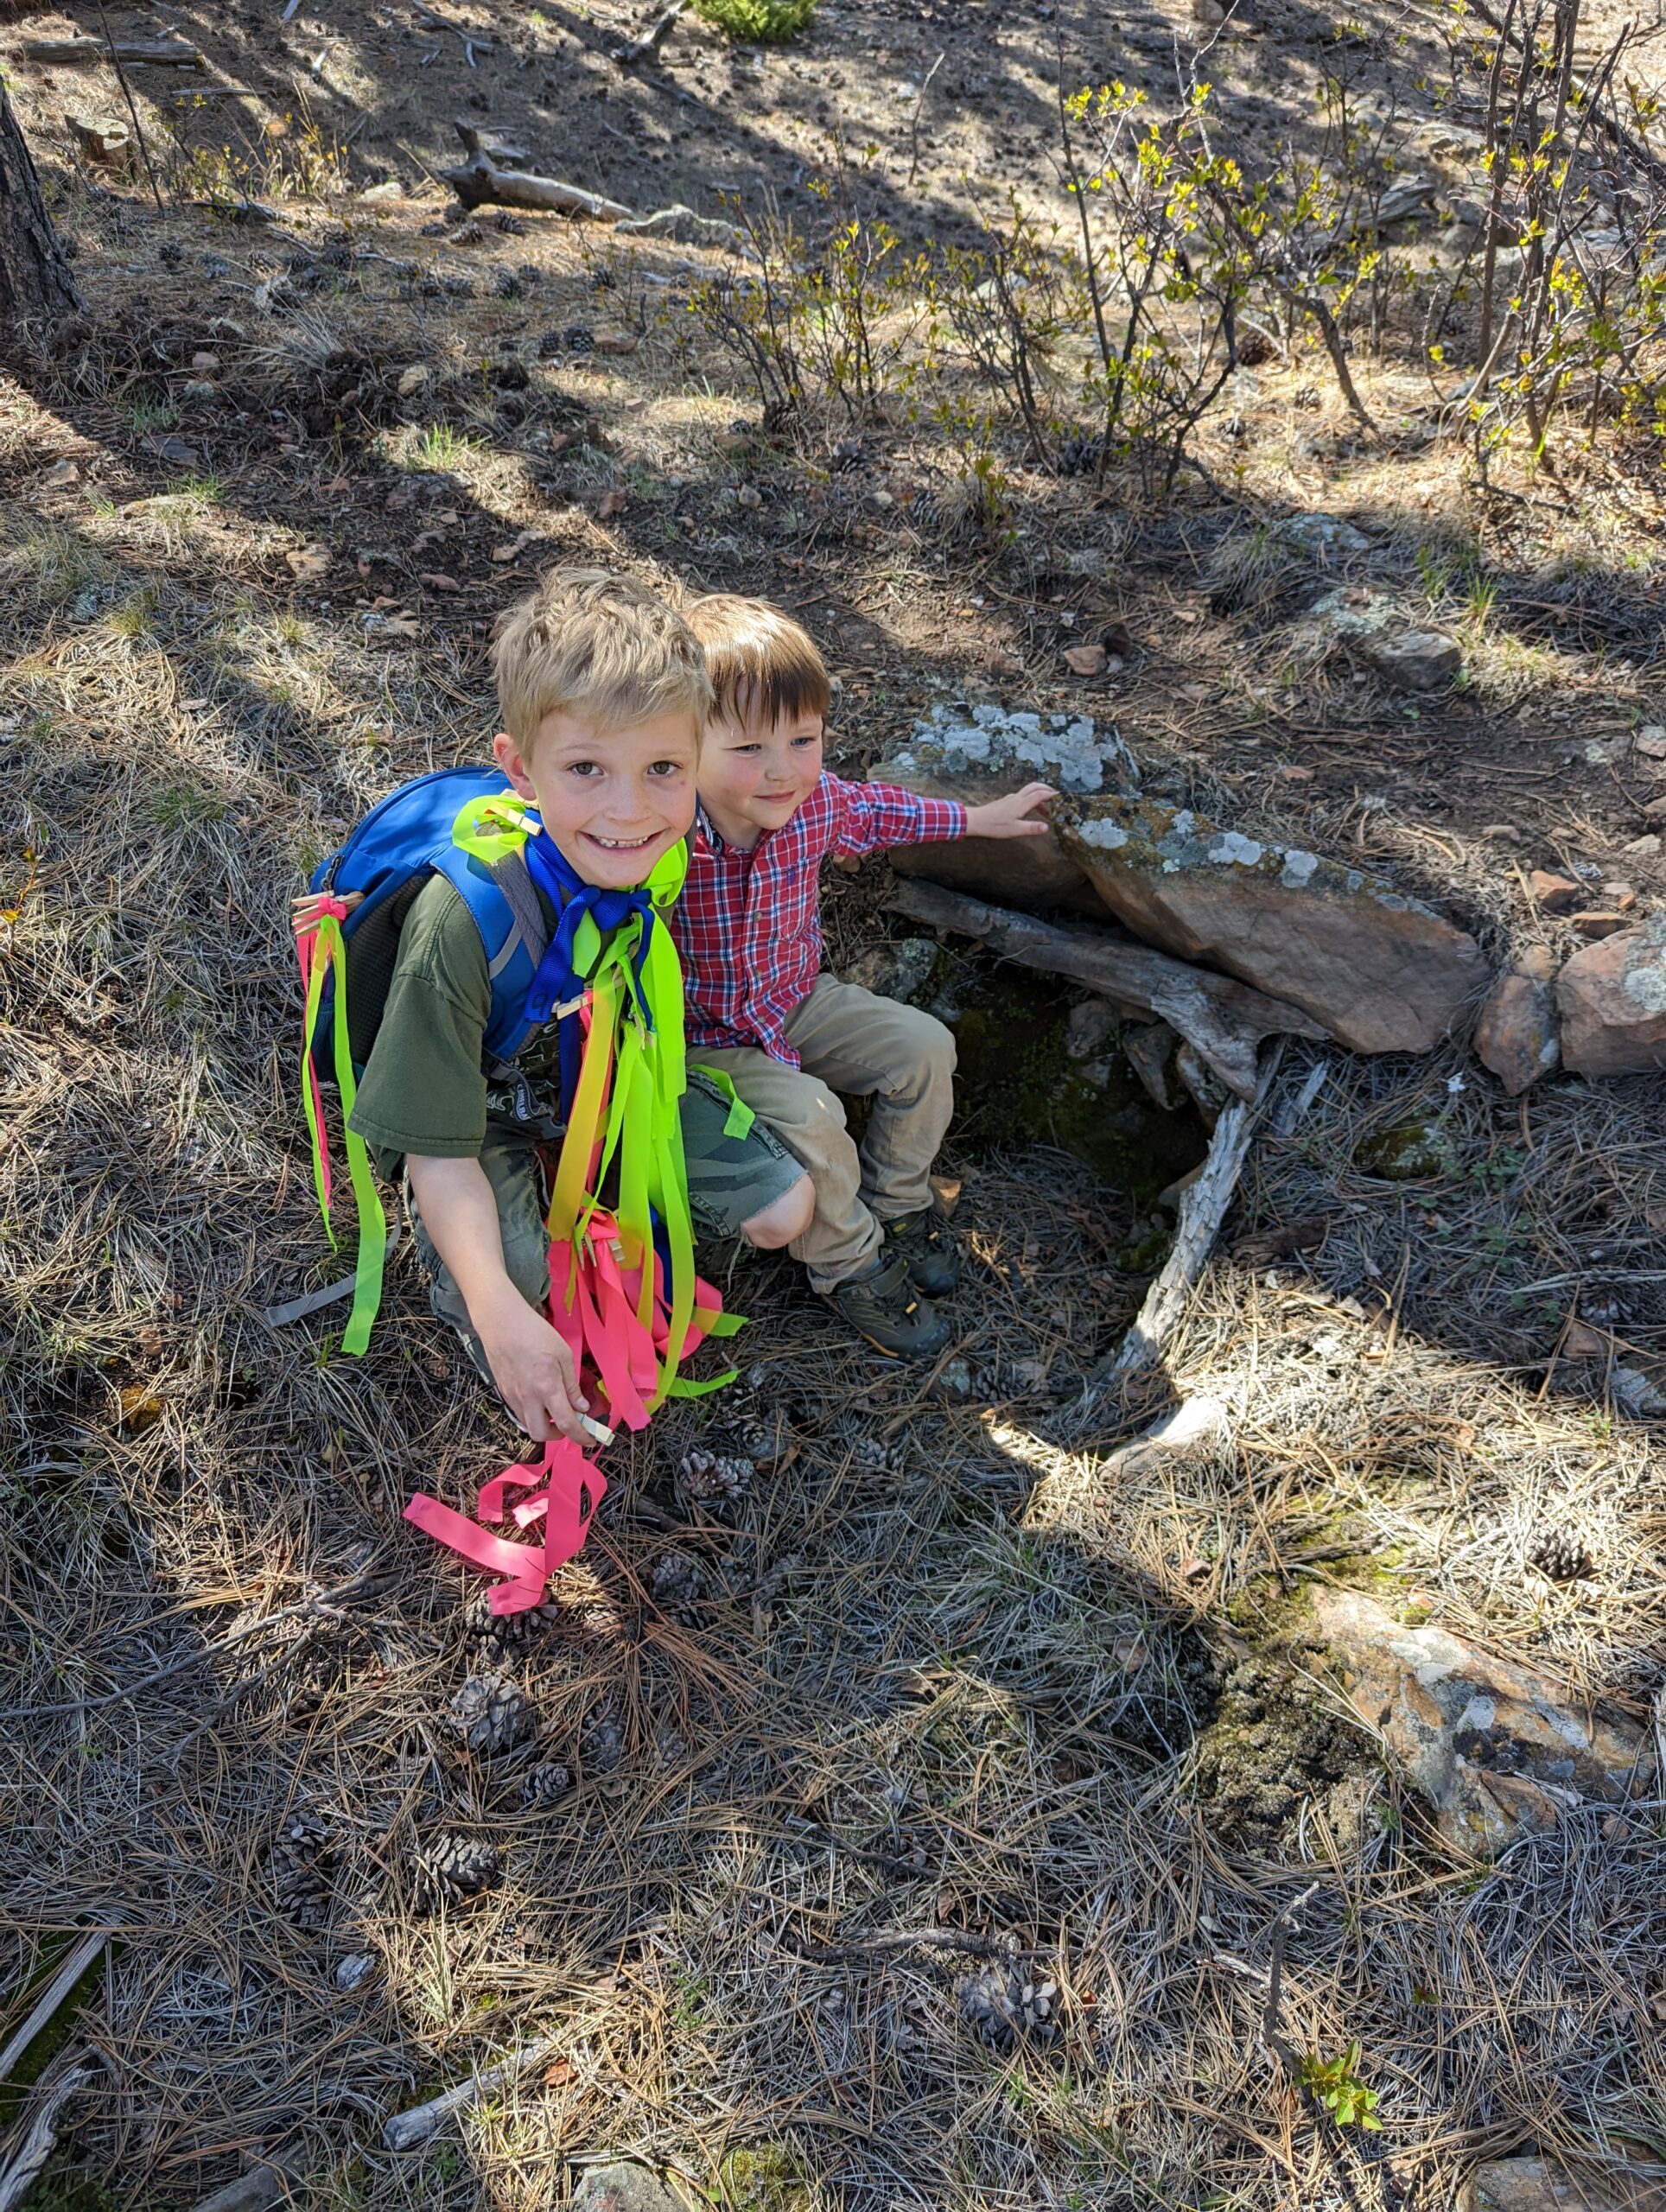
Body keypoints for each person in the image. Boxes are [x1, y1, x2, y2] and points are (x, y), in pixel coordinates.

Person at [340, 569, 814, 1443]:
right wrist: (497, 1313)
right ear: (521, 770)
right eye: (586, 769)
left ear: (698, 761)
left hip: (604, 1083)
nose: (628, 811)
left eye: (663, 769)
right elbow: (438, 1153)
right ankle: (489, 1273)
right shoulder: (463, 921)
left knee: (781, 1211)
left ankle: (578, 1170)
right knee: (520, 1295)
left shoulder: (657, 860)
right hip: (475, 1113)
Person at [672, 594, 1054, 1358]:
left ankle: (898, 1200)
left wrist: (979, 820)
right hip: (702, 1040)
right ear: (684, 742)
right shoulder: (668, 830)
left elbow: (882, 813)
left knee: (923, 1047)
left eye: (803, 739)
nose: (782, 769)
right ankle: (848, 1264)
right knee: (812, 1115)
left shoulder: (814, 803)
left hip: (793, 999)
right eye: (748, 747)